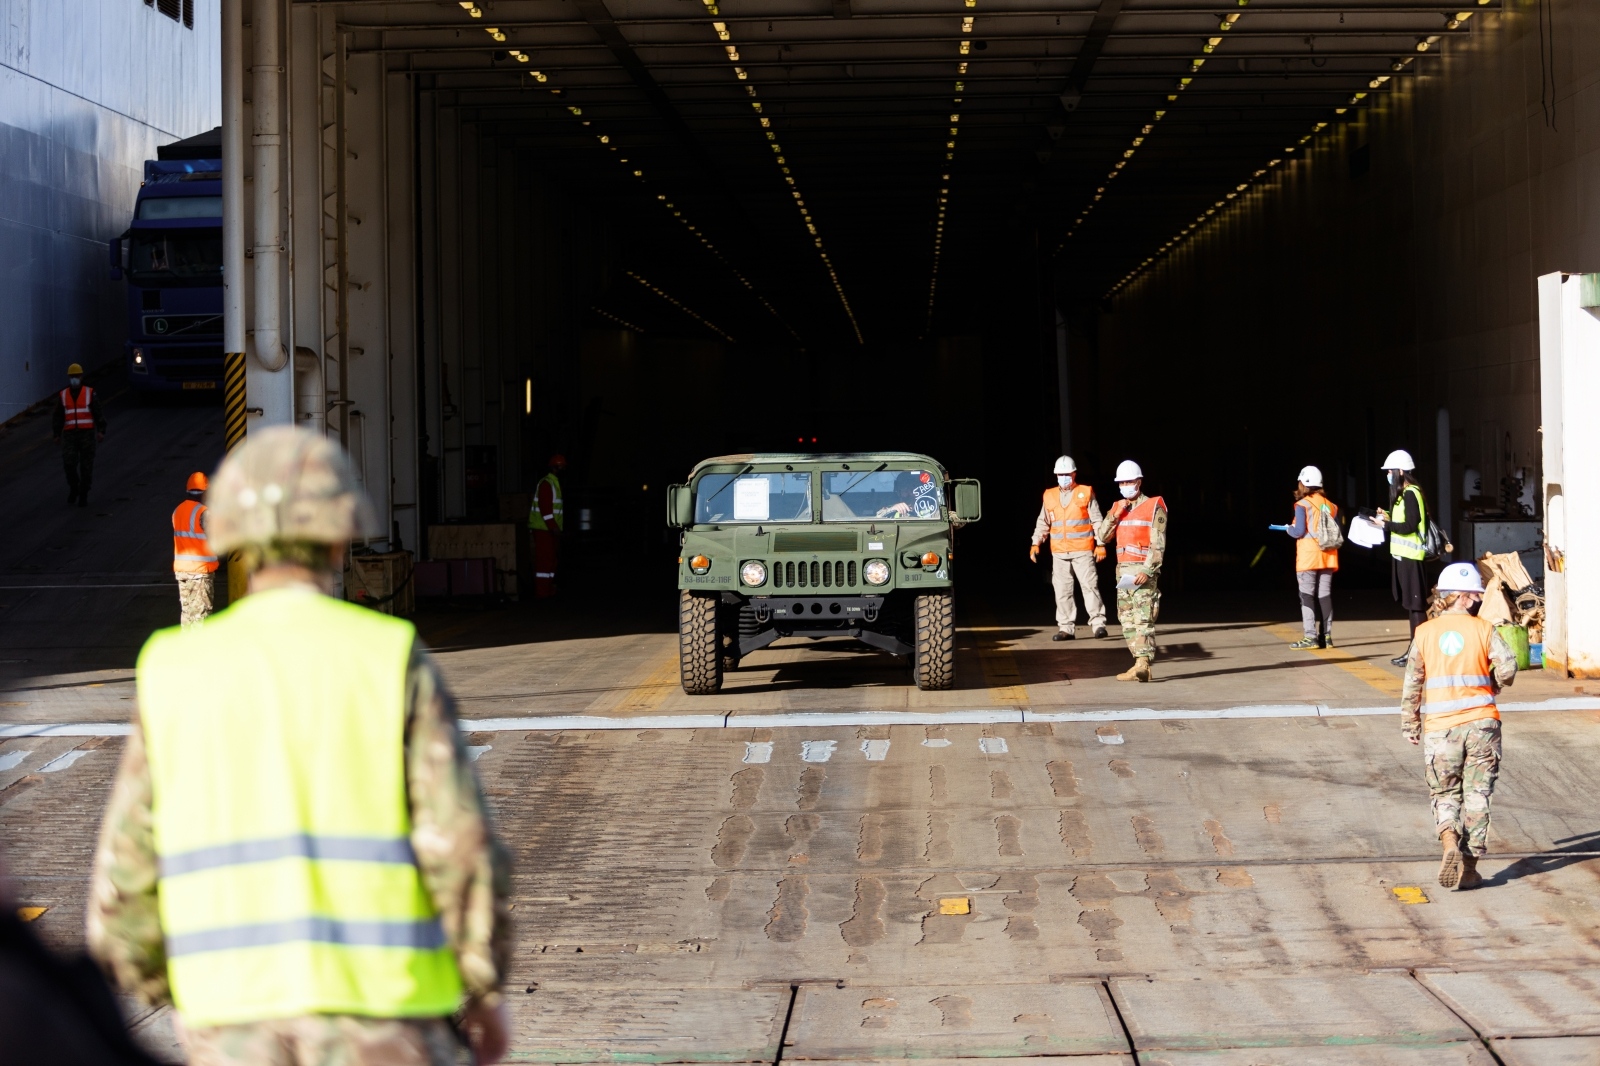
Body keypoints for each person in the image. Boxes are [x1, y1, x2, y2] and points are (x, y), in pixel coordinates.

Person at [88, 426, 513, 1066]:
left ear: (232, 535)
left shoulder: (172, 670)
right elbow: (461, 848)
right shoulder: (387, 657)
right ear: (341, 533)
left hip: (229, 1021)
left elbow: (127, 874)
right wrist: (480, 988)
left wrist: (170, 991)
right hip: (384, 1017)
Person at [1399, 561, 1517, 891]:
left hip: (1441, 730)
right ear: (1464, 597)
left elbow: (1412, 683)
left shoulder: (1423, 632)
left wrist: (1411, 725)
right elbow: (1508, 668)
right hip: (1482, 725)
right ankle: (1469, 866)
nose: (1478, 601)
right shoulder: (1484, 629)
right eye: (1476, 595)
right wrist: (1494, 684)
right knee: (1478, 796)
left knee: (1445, 792)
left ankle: (1449, 841)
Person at [1097, 460, 1166, 682]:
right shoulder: (1119, 507)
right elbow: (1102, 537)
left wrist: (1148, 569)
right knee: (1126, 619)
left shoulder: (1155, 506)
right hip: (1124, 575)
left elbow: (1158, 543)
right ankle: (1138, 662)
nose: (1125, 485)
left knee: (1143, 619)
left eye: (1129, 481)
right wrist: (1114, 515)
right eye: (1122, 482)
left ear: (1139, 482)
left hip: (1142, 574)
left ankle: (1144, 662)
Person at [1029, 455, 1108, 641]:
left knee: (1090, 587)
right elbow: (1043, 522)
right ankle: (1066, 628)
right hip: (1059, 553)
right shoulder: (1049, 495)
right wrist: (1036, 542)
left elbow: (1097, 520)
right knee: (1062, 591)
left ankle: (1098, 624)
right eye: (1060, 474)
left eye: (1067, 474)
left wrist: (1101, 543)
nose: (1064, 477)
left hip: (1082, 550)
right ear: (1056, 475)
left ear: (1074, 474)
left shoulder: (1085, 492)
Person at [1271, 465, 1339, 649]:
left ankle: (1310, 637)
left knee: (1307, 596)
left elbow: (1299, 530)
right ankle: (1326, 637)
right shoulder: (1331, 506)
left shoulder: (1302, 505)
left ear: (1304, 483)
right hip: (1328, 555)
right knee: (1325, 595)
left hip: (1309, 556)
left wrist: (1288, 529)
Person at [1371, 448, 1428, 665]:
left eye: (1390, 471)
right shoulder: (1403, 495)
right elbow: (1403, 520)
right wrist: (1386, 516)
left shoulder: (1411, 493)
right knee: (1412, 607)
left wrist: (1385, 524)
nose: (1388, 475)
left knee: (1416, 608)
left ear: (1401, 471)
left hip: (1412, 557)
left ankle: (1417, 653)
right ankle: (1414, 651)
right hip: (1404, 557)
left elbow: (1410, 524)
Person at [52, 363, 106, 507]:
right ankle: (74, 487)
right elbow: (58, 416)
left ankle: (83, 494)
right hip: (70, 435)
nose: (74, 379)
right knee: (69, 463)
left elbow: (98, 412)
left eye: (76, 376)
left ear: (81, 377)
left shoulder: (89, 393)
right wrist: (56, 433)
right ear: (69, 378)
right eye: (72, 376)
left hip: (86, 435)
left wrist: (101, 430)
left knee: (86, 466)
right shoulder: (63, 395)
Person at [172, 472, 218, 629]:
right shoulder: (204, 512)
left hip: (182, 573)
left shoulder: (177, 511)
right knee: (201, 616)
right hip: (200, 574)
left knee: (187, 615)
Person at [528, 453, 566, 598]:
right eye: (561, 467)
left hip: (548, 529)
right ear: (555, 468)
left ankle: (548, 590)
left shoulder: (553, 483)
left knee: (551, 561)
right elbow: (546, 509)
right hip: (544, 529)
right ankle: (542, 592)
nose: (563, 470)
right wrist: (553, 526)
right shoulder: (547, 484)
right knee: (545, 561)